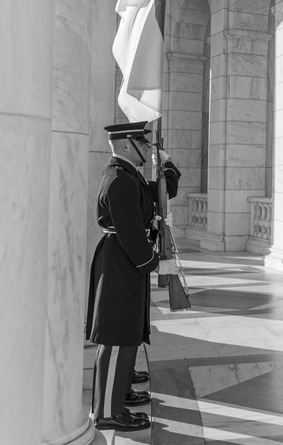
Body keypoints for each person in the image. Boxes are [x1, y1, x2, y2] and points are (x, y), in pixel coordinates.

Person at [85, 121, 181, 432]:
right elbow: (128, 231)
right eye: (144, 142)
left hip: (125, 261)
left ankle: (119, 391)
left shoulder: (128, 175)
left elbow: (162, 193)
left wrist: (166, 165)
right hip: (121, 261)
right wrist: (154, 263)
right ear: (128, 145)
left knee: (127, 331)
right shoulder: (120, 179)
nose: (148, 147)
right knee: (116, 336)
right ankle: (106, 413)